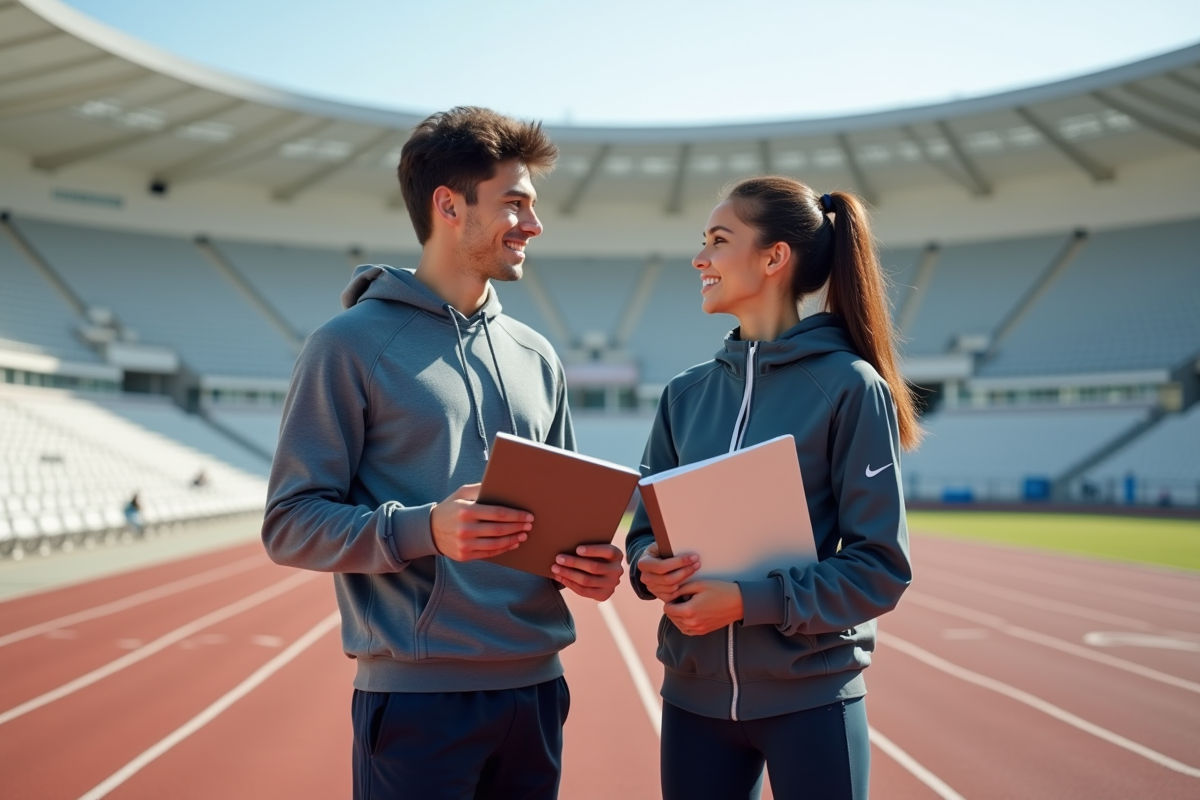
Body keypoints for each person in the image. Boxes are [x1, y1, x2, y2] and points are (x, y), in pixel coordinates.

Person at [262, 107, 624, 800]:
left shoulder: (538, 355)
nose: (534, 224)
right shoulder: (347, 346)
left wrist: (589, 564)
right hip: (419, 700)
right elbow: (290, 524)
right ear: (449, 206)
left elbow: (563, 518)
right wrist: (425, 528)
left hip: (538, 691)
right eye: (514, 203)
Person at [626, 177, 922, 800]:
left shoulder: (849, 387)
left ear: (773, 257)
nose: (699, 258)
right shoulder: (684, 395)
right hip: (692, 700)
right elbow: (646, 532)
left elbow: (880, 568)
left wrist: (745, 602)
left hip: (810, 700)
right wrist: (648, 566)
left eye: (718, 240)